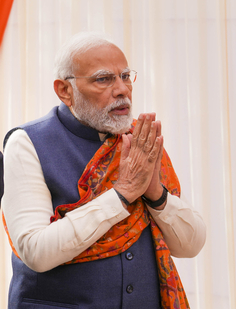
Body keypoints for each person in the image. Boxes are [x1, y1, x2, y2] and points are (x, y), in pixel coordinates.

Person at [2, 32, 207, 308]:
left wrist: (155, 193)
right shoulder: (28, 143)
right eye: (103, 79)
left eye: (125, 76)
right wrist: (122, 194)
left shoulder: (140, 141)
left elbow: (190, 245)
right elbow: (35, 251)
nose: (122, 89)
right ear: (65, 90)